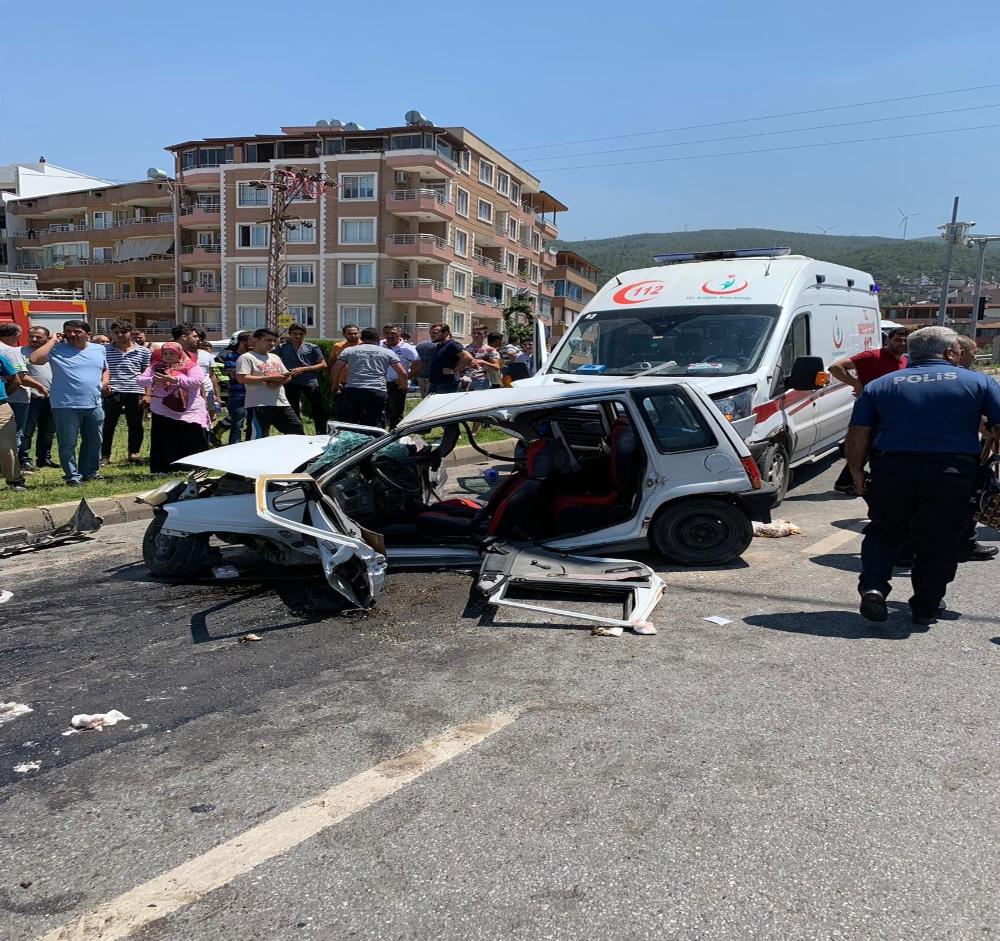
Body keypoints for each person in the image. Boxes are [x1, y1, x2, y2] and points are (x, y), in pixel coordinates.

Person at [847, 326, 1000, 626]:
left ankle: (874, 587)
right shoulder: (979, 382)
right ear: (949, 353)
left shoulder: (880, 385)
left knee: (883, 530)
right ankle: (926, 605)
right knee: (938, 537)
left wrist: (855, 470)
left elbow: (858, 432)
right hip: (952, 472)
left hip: (892, 469)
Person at [829, 327, 911, 494]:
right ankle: (848, 482)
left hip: (890, 411)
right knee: (865, 444)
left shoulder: (904, 361)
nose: (902, 343)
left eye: (905, 341)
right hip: (871, 408)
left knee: (869, 446)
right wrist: (856, 383)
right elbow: (836, 367)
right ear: (888, 340)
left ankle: (846, 482)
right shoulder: (872, 356)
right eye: (897, 340)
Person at [29, 320, 109, 486]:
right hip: (65, 405)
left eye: (77, 331)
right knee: (68, 443)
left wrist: (105, 382)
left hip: (94, 403)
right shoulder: (56, 349)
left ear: (88, 334)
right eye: (68, 331)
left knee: (94, 441)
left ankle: (90, 473)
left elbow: (104, 368)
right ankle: (72, 476)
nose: (72, 334)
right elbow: (34, 359)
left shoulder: (99, 349)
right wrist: (52, 340)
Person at [137, 342, 210, 473]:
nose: (168, 356)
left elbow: (197, 381)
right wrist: (154, 380)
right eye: (165, 353)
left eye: (172, 353)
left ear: (179, 353)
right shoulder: (155, 367)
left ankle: (195, 468)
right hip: (163, 409)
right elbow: (140, 380)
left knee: (192, 438)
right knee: (165, 439)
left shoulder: (190, 365)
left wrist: (175, 380)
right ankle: (164, 469)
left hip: (189, 410)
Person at [330, 327, 408, 427]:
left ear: (361, 338)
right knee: (374, 421)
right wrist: (404, 386)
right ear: (378, 338)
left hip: (353, 389)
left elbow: (336, 369)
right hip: (377, 390)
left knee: (351, 422)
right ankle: (374, 441)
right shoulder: (387, 352)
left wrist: (335, 385)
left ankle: (353, 441)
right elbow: (402, 373)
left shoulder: (349, 351)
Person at [236, 328, 304, 438]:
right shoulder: (246, 357)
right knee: (257, 437)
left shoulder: (275, 357)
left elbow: (287, 376)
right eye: (268, 340)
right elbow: (242, 378)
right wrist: (268, 378)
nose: (272, 343)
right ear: (256, 340)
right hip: (259, 404)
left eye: (274, 340)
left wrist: (279, 381)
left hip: (281, 403)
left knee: (297, 431)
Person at [101, 320, 151, 465]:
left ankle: (134, 453)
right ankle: (105, 455)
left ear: (131, 333)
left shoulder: (143, 351)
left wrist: (148, 394)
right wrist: (103, 384)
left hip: (135, 390)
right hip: (112, 391)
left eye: (123, 332)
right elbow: (100, 369)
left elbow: (147, 374)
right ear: (112, 334)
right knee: (108, 424)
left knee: (135, 424)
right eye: (116, 332)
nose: (120, 335)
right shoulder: (104, 350)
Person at [0, 323, 46, 468]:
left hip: (9, 399)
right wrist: (40, 386)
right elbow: (19, 378)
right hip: (16, 400)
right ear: (17, 336)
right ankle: (12, 468)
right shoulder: (11, 351)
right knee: (15, 434)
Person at [18, 326, 57, 471]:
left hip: (52, 398)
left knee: (48, 431)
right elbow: (19, 374)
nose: (34, 339)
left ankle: (44, 458)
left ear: (47, 338)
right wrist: (38, 386)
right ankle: (24, 460)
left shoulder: (52, 352)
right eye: (31, 336)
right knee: (26, 432)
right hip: (31, 398)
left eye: (38, 337)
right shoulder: (21, 352)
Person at [277, 324, 328, 433]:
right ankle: (297, 432)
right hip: (291, 381)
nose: (298, 336)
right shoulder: (282, 347)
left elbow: (323, 364)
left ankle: (321, 432)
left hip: (309, 381)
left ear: (304, 334)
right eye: (295, 334)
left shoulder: (312, 347)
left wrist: (303, 369)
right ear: (290, 334)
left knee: (317, 408)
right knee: (293, 408)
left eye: (300, 334)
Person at [381, 326, 419, 429]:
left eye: (393, 333)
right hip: (380, 383)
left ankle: (395, 437)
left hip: (397, 384)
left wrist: (406, 378)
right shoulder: (380, 345)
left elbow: (418, 364)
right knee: (380, 411)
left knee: (396, 412)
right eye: (387, 333)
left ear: (399, 334)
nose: (389, 336)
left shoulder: (407, 348)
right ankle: (379, 436)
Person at [0, 350, 27, 492]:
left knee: (6, 446)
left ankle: (14, 480)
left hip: (1, 408)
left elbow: (15, 380)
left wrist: (3, 396)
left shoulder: (1, 358)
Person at [221, 331, 251, 444]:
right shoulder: (231, 356)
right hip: (238, 395)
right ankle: (234, 447)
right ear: (243, 343)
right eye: (251, 341)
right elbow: (234, 374)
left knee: (252, 425)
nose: (254, 343)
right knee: (237, 425)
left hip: (253, 394)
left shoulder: (253, 356)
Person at [426, 323, 473, 395]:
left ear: (445, 333)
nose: (432, 335)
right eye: (430, 333)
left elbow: (468, 358)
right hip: (435, 383)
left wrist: (454, 370)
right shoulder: (439, 346)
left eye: (435, 333)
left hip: (447, 384)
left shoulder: (452, 345)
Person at [463, 326, 500, 391]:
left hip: (481, 381)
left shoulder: (490, 350)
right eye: (474, 333)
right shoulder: (465, 348)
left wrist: (483, 362)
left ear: (485, 335)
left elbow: (496, 367)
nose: (476, 335)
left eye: (479, 333)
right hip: (465, 380)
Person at [415, 333, 438, 398]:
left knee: (423, 394)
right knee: (430, 395)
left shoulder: (420, 345)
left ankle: (423, 407)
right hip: (431, 374)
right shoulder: (436, 346)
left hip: (420, 373)